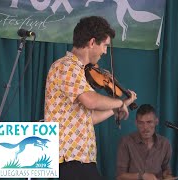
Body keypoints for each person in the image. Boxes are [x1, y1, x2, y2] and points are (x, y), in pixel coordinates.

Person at [44, 16, 137, 180]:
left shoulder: (78, 71)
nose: (105, 51)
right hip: (69, 159)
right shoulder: (67, 66)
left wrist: (118, 106)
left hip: (79, 160)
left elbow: (88, 118)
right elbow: (91, 101)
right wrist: (118, 103)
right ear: (92, 42)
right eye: (104, 45)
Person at [116, 104, 173, 180]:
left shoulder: (165, 143)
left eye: (149, 122)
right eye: (141, 123)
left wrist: (168, 176)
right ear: (136, 123)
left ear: (156, 121)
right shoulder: (126, 142)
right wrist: (141, 176)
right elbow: (120, 176)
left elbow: (166, 169)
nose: (145, 127)